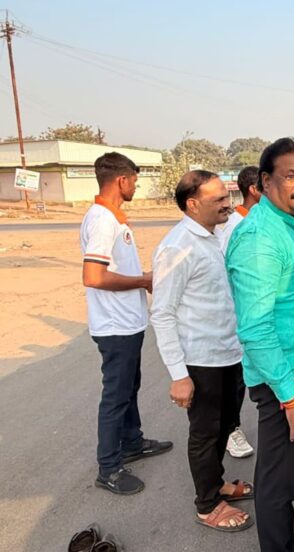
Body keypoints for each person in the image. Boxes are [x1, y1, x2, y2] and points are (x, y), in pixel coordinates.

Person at [225, 137, 294, 552]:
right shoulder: (259, 239)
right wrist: (293, 399)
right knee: (278, 480)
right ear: (265, 182)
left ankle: (285, 543)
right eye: (291, 176)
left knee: (287, 474)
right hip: (287, 377)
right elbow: (255, 329)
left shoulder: (292, 221)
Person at [151, 171, 254, 533]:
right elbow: (162, 313)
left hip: (229, 353)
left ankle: (218, 483)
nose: (228, 203)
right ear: (193, 204)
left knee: (226, 424)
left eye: (226, 196)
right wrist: (179, 375)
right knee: (205, 432)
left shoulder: (216, 235)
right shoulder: (177, 247)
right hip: (200, 360)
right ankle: (207, 504)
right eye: (218, 200)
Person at [80, 152, 172, 496]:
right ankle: (109, 467)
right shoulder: (102, 220)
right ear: (122, 180)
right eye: (134, 179)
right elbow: (93, 276)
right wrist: (143, 280)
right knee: (116, 396)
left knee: (129, 387)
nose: (135, 185)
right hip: (114, 325)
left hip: (127, 323)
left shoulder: (112, 218)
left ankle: (132, 441)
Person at [218, 165, 260, 459]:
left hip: (255, 313)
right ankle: (230, 429)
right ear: (256, 189)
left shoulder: (259, 221)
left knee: (247, 374)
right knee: (234, 377)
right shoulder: (234, 226)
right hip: (237, 314)